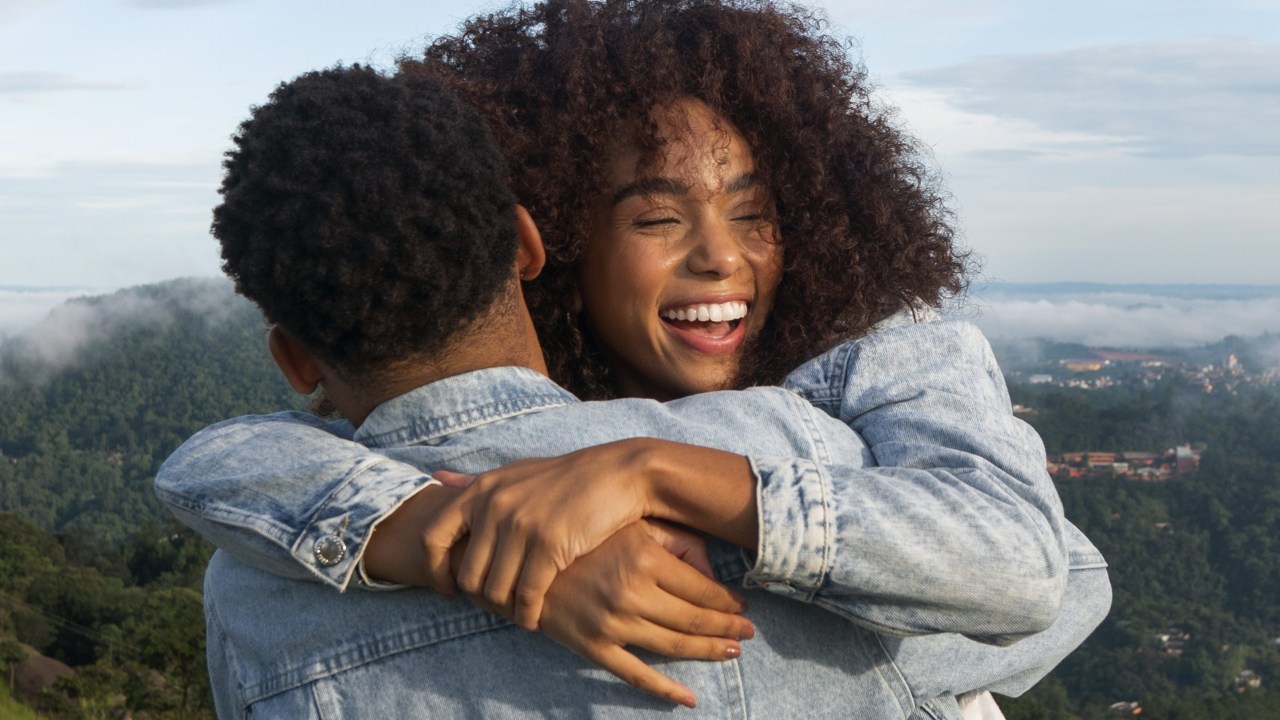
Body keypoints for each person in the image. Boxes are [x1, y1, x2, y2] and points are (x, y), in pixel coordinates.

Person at [186, 62, 1107, 719]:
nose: (720, 254)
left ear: (295, 361)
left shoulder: (253, 590)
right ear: (533, 242)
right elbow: (1055, 584)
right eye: (659, 217)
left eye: (757, 213)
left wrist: (622, 478)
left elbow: (212, 462)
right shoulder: (804, 445)